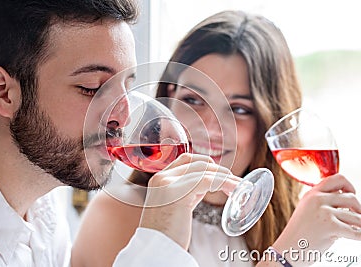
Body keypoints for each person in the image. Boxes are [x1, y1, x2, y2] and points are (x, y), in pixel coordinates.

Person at [0, 0, 242, 266]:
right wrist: (159, 240)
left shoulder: (45, 207)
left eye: (126, 88)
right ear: (4, 92)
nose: (123, 117)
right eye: (93, 88)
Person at [72, 10, 361, 267]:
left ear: (269, 124)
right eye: (193, 101)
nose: (210, 128)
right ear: (167, 102)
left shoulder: (295, 219)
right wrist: (289, 256)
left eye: (238, 109)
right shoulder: (121, 215)